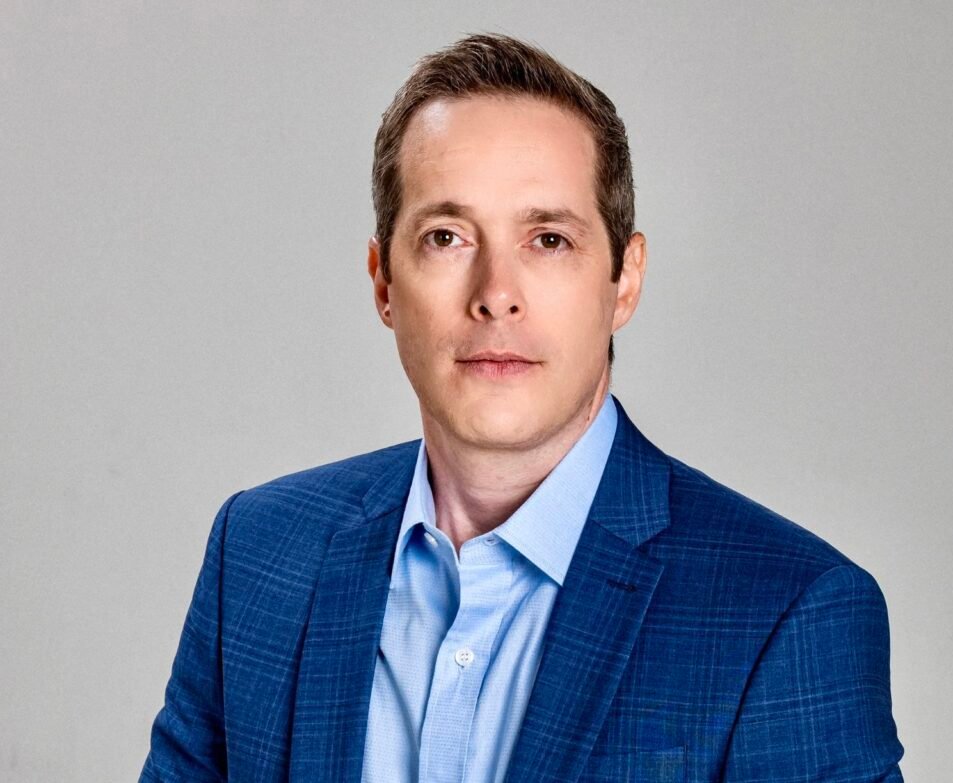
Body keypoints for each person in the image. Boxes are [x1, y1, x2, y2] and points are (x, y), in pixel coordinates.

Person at [140, 33, 904, 782]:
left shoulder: (788, 613)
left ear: (625, 280)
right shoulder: (259, 556)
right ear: (383, 281)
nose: (496, 294)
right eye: (446, 236)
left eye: (548, 239)